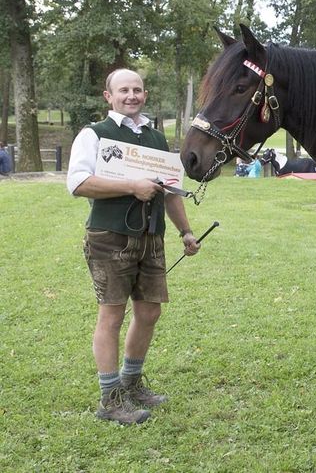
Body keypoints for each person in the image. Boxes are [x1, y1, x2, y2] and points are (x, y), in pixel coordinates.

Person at [67, 68, 200, 425]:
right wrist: (132, 186)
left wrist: (185, 232)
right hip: (109, 237)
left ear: (144, 94)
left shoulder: (157, 139)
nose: (132, 95)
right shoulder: (93, 134)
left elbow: (171, 191)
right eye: (123, 90)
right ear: (108, 96)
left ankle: (131, 383)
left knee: (149, 312)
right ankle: (110, 401)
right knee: (111, 316)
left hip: (151, 237)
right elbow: (78, 183)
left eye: (137, 89)